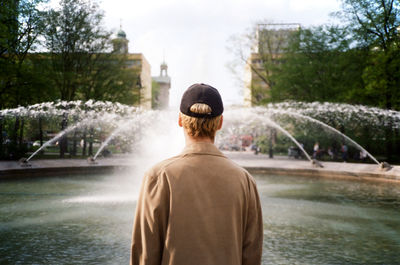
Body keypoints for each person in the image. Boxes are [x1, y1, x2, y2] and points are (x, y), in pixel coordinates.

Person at [130, 83, 263, 265]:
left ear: (180, 120)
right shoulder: (245, 181)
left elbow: (145, 254)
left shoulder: (158, 177)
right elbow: (252, 255)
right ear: (220, 123)